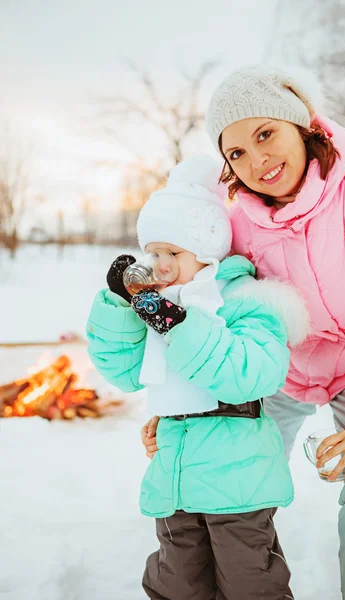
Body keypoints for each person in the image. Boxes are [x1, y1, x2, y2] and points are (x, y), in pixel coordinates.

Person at [144, 65, 345, 600]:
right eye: (235, 153)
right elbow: (206, 311)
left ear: (301, 124)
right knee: (222, 473)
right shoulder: (234, 223)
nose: (256, 160)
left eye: (265, 134)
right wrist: (180, 407)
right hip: (280, 368)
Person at [86, 155, 310, 600]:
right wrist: (119, 308)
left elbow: (253, 373)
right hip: (174, 479)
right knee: (178, 584)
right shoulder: (159, 306)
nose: (159, 264)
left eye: (172, 253)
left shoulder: (244, 299)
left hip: (238, 484)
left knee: (251, 584)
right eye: (152, 253)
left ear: (206, 252)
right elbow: (125, 372)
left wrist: (179, 324)